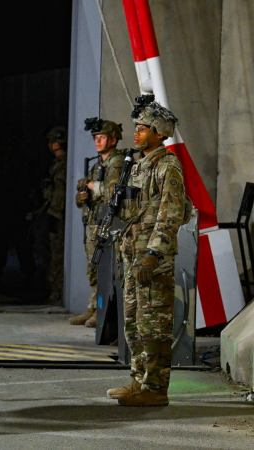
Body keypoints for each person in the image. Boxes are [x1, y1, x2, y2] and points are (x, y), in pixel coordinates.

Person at [108, 95, 189, 407]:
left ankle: (155, 387)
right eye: (137, 127)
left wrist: (153, 254)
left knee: (154, 324)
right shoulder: (138, 165)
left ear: (158, 133)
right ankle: (138, 379)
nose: (136, 133)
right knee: (133, 323)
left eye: (143, 128)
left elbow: (170, 215)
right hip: (133, 256)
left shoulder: (167, 166)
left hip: (152, 261)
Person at [70, 118, 126, 327]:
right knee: (93, 268)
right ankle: (93, 306)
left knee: (105, 269)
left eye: (101, 137)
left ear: (113, 139)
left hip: (108, 224)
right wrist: (82, 196)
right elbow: (83, 198)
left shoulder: (117, 163)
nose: (97, 141)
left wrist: (93, 186)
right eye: (95, 138)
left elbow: (114, 192)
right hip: (95, 223)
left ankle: (102, 312)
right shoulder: (97, 165)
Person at [41, 126, 67, 304]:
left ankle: (57, 291)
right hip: (54, 211)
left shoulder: (63, 164)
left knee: (56, 254)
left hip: (58, 214)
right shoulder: (57, 163)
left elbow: (59, 192)